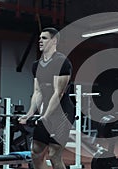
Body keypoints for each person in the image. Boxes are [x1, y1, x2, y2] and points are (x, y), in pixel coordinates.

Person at [19, 27, 75, 169]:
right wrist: (30, 113)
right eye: (39, 38)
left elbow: (59, 92)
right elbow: (37, 92)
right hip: (46, 114)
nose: (40, 40)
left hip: (63, 113)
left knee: (54, 153)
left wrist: (45, 116)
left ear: (54, 41)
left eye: (44, 38)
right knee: (36, 153)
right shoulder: (36, 65)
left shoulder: (62, 62)